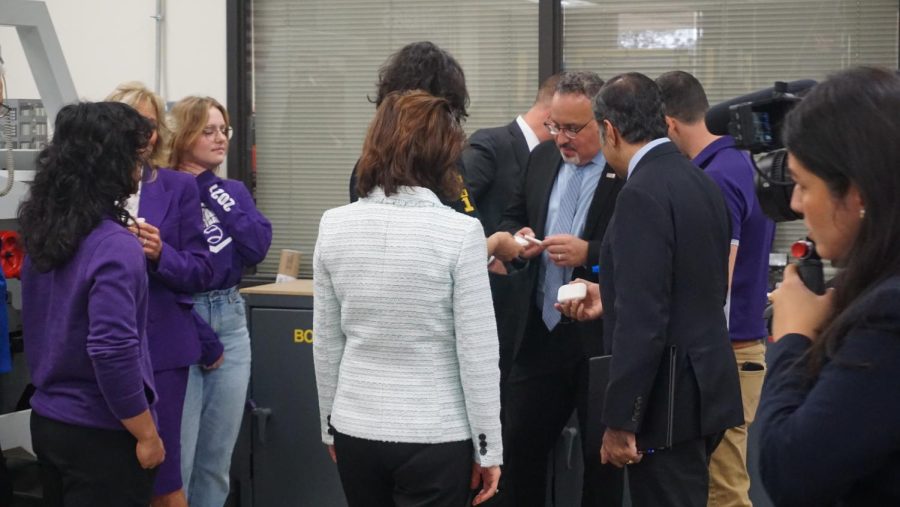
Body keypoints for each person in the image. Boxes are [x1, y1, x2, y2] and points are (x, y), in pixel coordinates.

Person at [313, 90, 502, 507]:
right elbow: (478, 353)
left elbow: (327, 343)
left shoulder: (333, 225)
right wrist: (489, 448)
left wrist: (330, 426)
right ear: (442, 155)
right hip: (436, 432)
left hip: (355, 428)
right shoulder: (460, 233)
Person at [581, 72, 742, 506]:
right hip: (707, 389)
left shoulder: (640, 193)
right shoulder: (702, 180)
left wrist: (620, 421)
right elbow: (698, 285)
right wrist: (608, 295)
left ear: (610, 130)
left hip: (664, 401)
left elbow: (643, 319)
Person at [759, 66, 900, 506]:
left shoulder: (888, 314)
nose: (796, 204)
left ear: (857, 195)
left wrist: (794, 337)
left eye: (803, 184)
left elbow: (792, 470)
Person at [19, 101, 164, 506]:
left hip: (49, 421)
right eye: (137, 159)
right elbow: (113, 352)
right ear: (112, 164)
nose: (142, 170)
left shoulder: (44, 233)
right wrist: (146, 433)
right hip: (104, 430)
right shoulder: (116, 246)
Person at [496, 71, 623, 507]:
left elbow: (642, 252)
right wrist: (519, 238)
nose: (562, 138)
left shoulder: (625, 170)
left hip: (598, 338)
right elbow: (512, 214)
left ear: (604, 124)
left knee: (599, 462)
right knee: (518, 452)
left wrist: (589, 251)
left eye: (573, 128)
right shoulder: (543, 158)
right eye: (555, 126)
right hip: (540, 330)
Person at [656, 70, 775, 507]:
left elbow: (714, 282)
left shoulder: (717, 177)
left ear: (669, 124)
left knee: (721, 489)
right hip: (735, 348)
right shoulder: (737, 162)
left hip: (726, 351)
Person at [106, 82, 215, 507]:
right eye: (130, 121)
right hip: (104, 351)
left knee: (166, 477)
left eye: (148, 124)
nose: (140, 133)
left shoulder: (178, 186)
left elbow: (203, 270)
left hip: (165, 352)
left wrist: (160, 253)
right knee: (113, 474)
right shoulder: (87, 191)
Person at [170, 96, 273, 506]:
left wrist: (211, 188)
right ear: (183, 135)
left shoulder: (229, 189)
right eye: (207, 130)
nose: (220, 139)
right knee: (180, 458)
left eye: (223, 130)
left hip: (229, 316)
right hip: (182, 314)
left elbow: (257, 246)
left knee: (215, 462)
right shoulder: (162, 189)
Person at [348, 41, 524, 265]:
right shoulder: (393, 168)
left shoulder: (443, 160)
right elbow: (422, 251)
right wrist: (494, 246)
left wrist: (489, 252)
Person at [461, 72, 561, 236]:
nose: (568, 137)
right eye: (569, 124)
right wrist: (491, 253)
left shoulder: (556, 161)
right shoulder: (489, 146)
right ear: (552, 117)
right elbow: (456, 206)